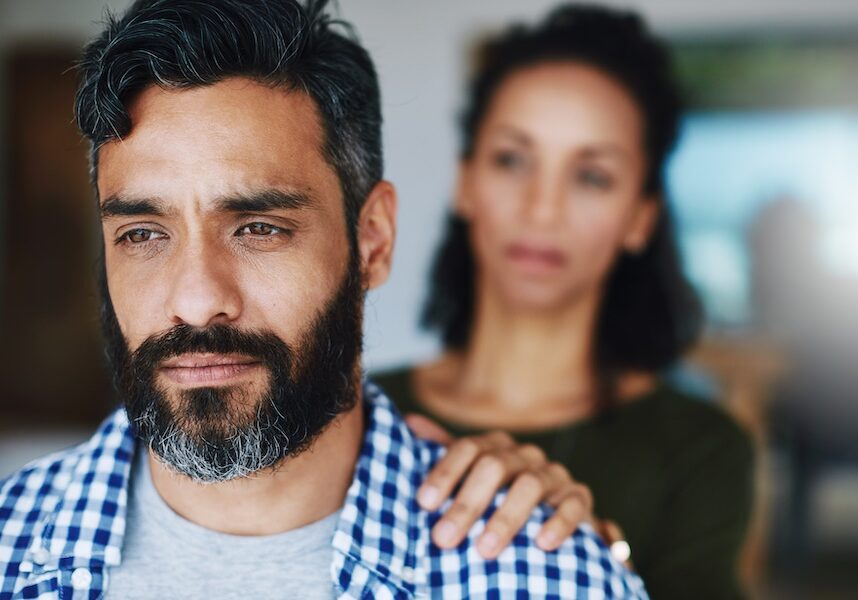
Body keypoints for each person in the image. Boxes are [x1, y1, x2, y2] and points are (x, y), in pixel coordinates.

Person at [0, 0, 647, 598]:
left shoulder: (546, 579)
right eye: (143, 234)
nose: (197, 302)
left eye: (259, 229)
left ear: (372, 240)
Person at [374, 4, 754, 598]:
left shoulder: (702, 448)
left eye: (591, 176)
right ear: (466, 182)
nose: (542, 209)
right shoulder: (357, 410)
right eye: (512, 160)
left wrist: (595, 556)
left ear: (640, 217)